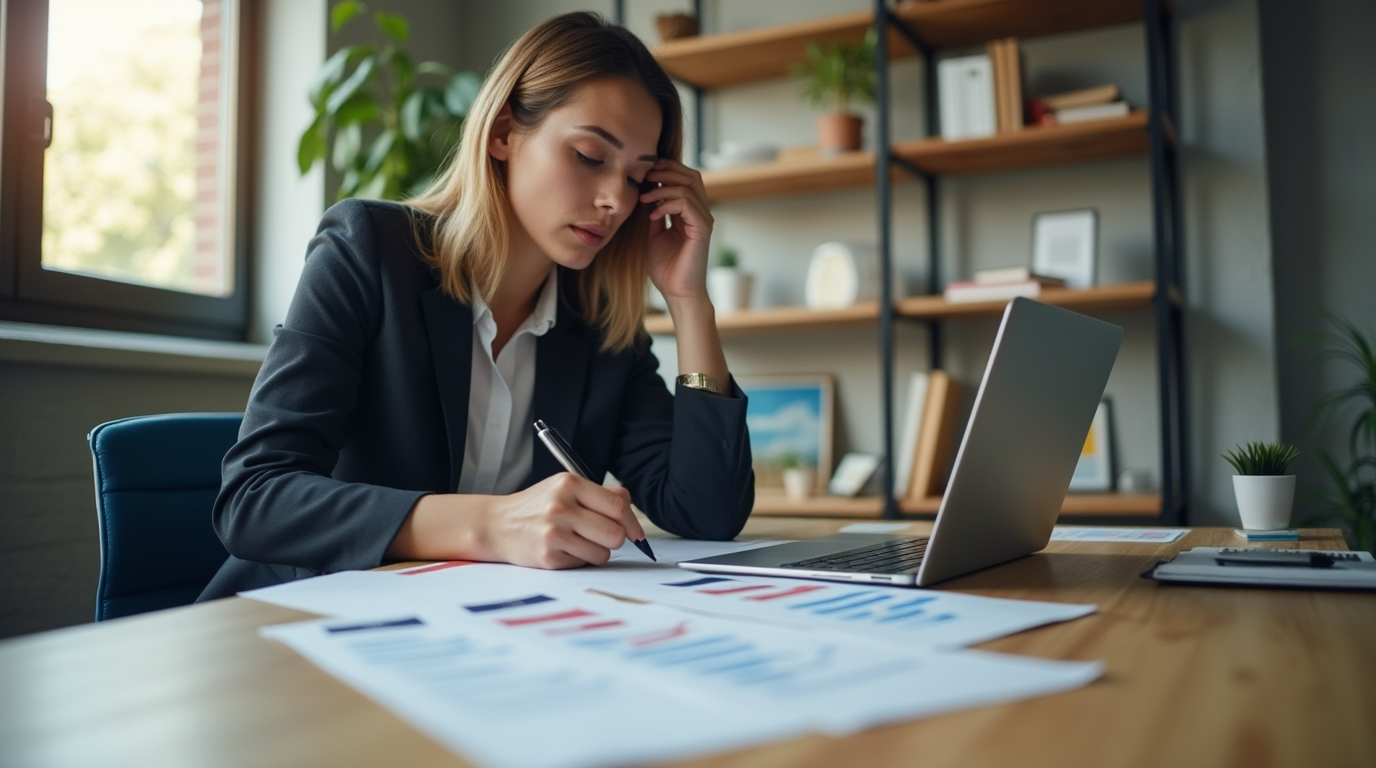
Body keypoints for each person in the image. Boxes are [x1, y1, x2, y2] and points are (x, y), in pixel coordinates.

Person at [197, 12, 753, 600]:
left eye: (640, 179)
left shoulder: (598, 329)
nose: (615, 199)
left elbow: (706, 513)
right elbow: (255, 499)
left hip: (466, 631)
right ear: (503, 131)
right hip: (298, 622)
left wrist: (690, 301)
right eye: (590, 156)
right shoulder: (368, 252)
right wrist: (490, 525)